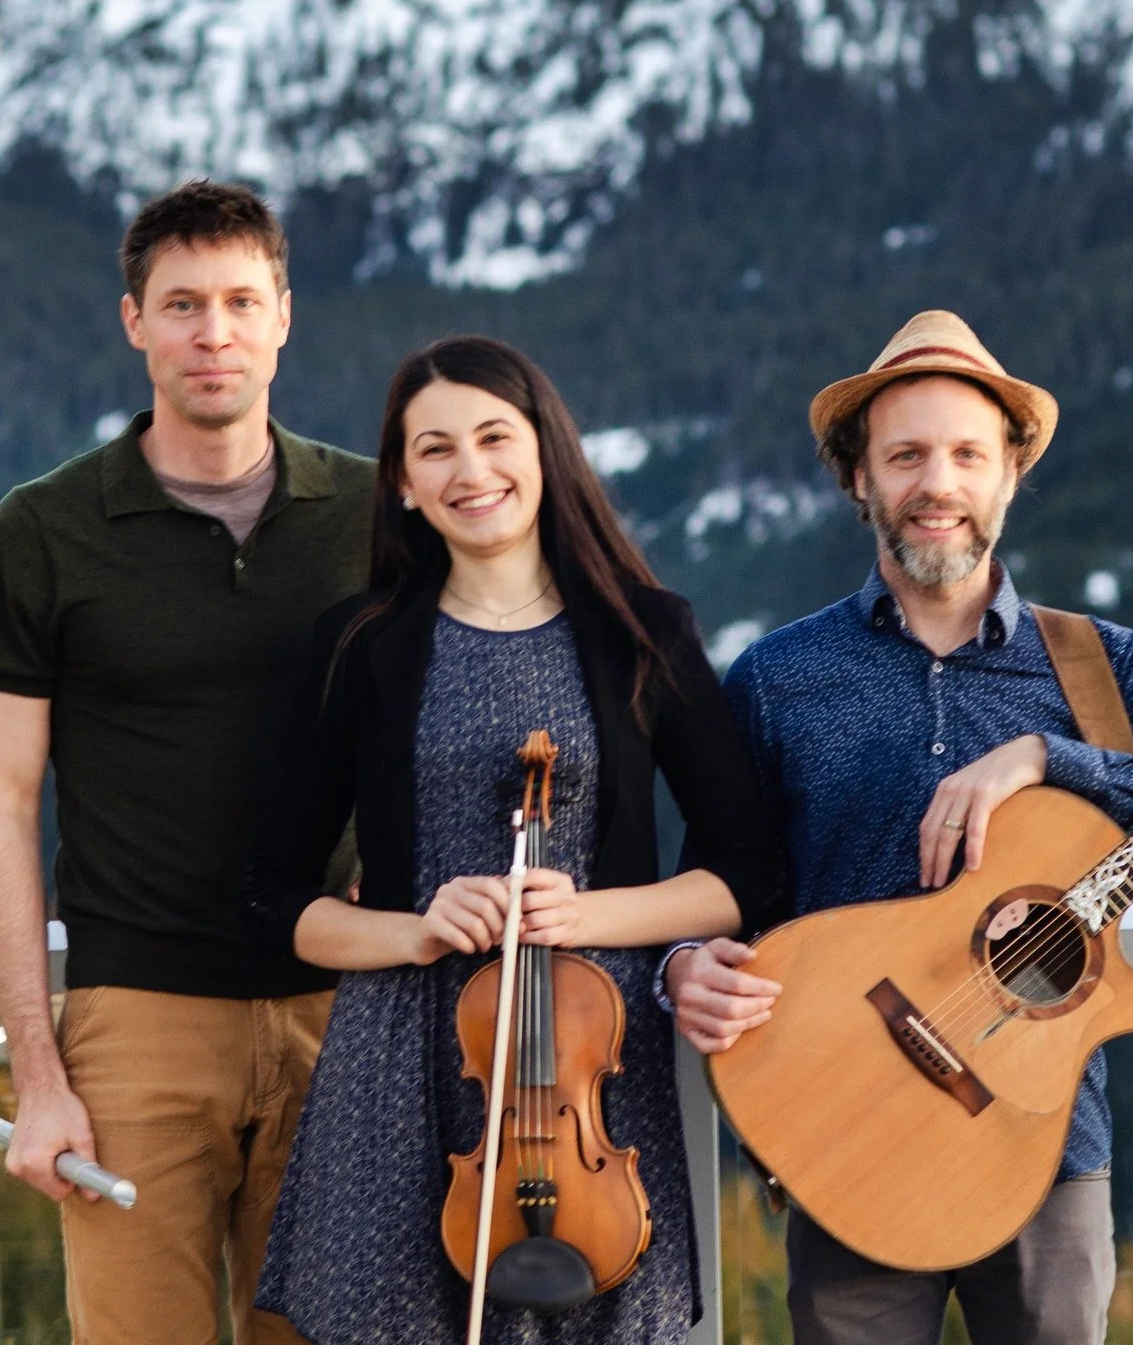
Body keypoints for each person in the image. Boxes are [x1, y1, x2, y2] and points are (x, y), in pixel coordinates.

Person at [664, 310, 1133, 1345]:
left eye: (965, 456)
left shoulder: (1102, 668)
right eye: (906, 456)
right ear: (860, 480)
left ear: (1007, 477)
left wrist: (1050, 758)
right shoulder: (777, 680)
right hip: (847, 1135)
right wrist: (682, 963)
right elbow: (724, 881)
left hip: (1049, 1157)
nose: (936, 484)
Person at [244, 335, 781, 1344]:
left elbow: (748, 872)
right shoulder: (359, 644)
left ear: (545, 451)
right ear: (402, 483)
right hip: (399, 1064)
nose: (471, 471)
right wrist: (414, 930)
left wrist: (588, 913)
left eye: (496, 436)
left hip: (588, 1068)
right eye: (435, 449)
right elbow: (273, 897)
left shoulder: (644, 632)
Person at [0, 180, 375, 1345]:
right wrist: (40, 1077)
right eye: (182, 304)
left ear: (285, 314)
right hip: (134, 1028)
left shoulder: (375, 516)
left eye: (242, 300)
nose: (214, 332)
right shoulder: (41, 533)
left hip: (339, 1013)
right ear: (133, 321)